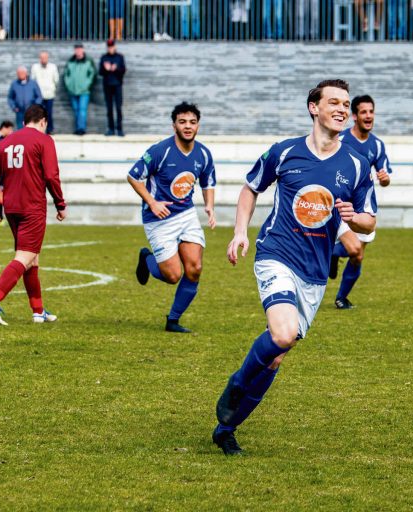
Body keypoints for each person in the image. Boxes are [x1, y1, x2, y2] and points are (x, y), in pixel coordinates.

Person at [212, 79, 377, 455]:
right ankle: (237, 383)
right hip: (276, 254)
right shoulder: (284, 151)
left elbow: (370, 219)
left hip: (315, 273)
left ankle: (226, 429)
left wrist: (355, 217)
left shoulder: (356, 164)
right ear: (313, 108)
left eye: (346, 104)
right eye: (333, 102)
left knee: (276, 356)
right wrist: (240, 232)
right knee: (283, 334)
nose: (342, 109)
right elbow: (251, 188)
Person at [129, 102, 216, 334]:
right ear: (174, 125)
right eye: (182, 122)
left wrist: (209, 206)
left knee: (195, 268)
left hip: (186, 215)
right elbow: (133, 176)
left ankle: (173, 320)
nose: (188, 126)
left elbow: (208, 181)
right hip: (159, 218)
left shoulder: (203, 153)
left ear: (198, 126)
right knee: (173, 275)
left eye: (192, 122)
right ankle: (147, 258)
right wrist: (152, 202)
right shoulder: (160, 151)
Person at [0, 105, 67, 326]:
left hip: (11, 207)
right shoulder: (44, 140)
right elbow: (51, 175)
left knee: (32, 258)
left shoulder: (5, 142)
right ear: (43, 121)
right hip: (32, 207)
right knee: (25, 257)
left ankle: (38, 311)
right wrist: (60, 203)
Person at [330, 95, 391, 309]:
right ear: (354, 116)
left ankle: (341, 296)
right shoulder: (341, 139)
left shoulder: (377, 145)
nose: (368, 115)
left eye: (371, 111)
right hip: (339, 205)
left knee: (357, 256)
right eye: (363, 112)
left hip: (363, 207)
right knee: (355, 250)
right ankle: (331, 255)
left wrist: (385, 178)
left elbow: (384, 177)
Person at [63, 43, 96, 135]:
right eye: (76, 49)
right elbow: (66, 74)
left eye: (79, 49)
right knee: (76, 110)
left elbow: (92, 74)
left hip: (84, 91)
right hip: (72, 91)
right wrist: (69, 85)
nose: (78, 51)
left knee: (82, 110)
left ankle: (81, 129)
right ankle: (78, 128)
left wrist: (87, 85)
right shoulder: (71, 62)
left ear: (83, 50)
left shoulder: (88, 61)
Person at [99, 39, 126, 136]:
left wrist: (116, 68)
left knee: (118, 108)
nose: (110, 48)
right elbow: (100, 72)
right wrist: (105, 69)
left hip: (117, 85)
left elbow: (123, 70)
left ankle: (119, 129)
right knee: (109, 108)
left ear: (114, 47)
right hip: (107, 86)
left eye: (112, 47)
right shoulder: (104, 57)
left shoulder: (120, 57)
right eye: (109, 47)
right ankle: (111, 129)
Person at [30, 51, 59, 135]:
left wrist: (52, 88)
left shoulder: (53, 67)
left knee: (48, 113)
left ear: (47, 58)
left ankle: (49, 130)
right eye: (42, 58)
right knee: (39, 114)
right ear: (40, 58)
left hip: (49, 94)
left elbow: (56, 79)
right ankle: (39, 130)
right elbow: (33, 80)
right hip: (39, 95)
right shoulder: (35, 67)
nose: (43, 59)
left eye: (45, 57)